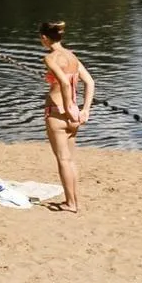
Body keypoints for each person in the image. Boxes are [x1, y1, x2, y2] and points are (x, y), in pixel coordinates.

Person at [39, 20, 95, 213]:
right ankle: (74, 201)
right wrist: (85, 109)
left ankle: (70, 203)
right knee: (70, 160)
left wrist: (69, 106)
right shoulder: (72, 56)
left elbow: (63, 83)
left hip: (58, 114)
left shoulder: (51, 58)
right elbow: (90, 82)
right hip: (74, 117)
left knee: (63, 160)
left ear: (45, 38)